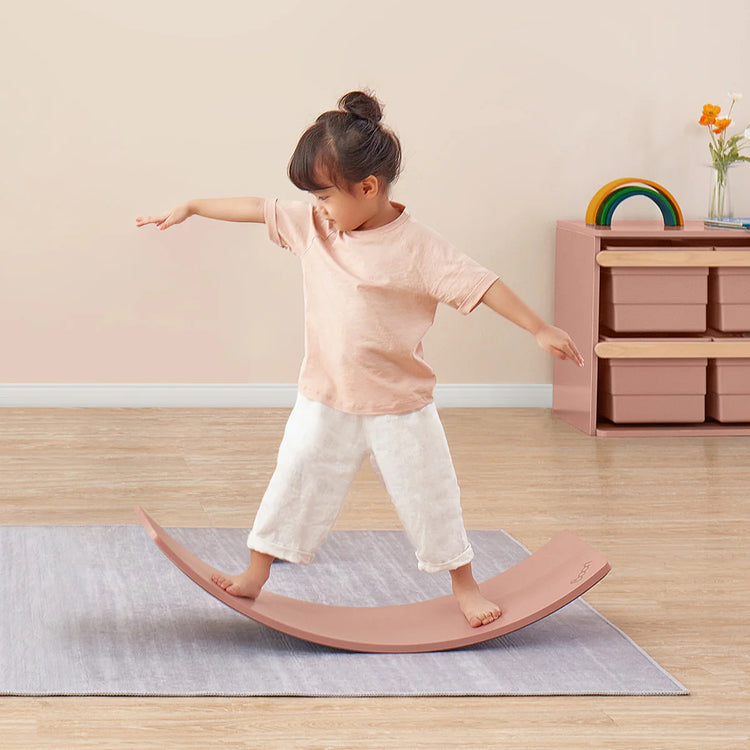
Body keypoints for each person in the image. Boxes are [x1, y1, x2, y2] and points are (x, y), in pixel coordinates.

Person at [136, 90, 584, 628]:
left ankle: (465, 586)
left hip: (399, 404)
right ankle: (257, 572)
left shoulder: (419, 247)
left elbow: (482, 284)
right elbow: (255, 208)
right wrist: (191, 206)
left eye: (325, 197)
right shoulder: (317, 227)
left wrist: (539, 328)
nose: (318, 209)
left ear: (367, 188)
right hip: (325, 396)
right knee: (296, 478)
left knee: (430, 495)